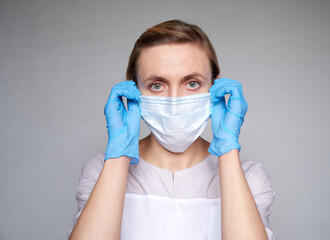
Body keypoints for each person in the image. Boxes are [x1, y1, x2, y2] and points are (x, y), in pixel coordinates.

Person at [68, 19, 276, 240]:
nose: (174, 101)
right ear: (134, 90)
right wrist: (119, 156)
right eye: (157, 85)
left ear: (215, 88)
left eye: (192, 83)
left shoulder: (249, 177)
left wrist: (227, 151)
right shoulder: (102, 170)